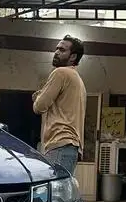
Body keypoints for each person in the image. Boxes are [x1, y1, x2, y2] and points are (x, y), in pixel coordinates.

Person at [32, 35, 87, 175]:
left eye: (62, 50)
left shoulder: (60, 73)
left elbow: (39, 107)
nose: (56, 52)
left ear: (73, 56)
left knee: (55, 194)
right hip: (71, 146)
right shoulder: (77, 79)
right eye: (56, 49)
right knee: (62, 192)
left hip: (59, 143)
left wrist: (38, 96)